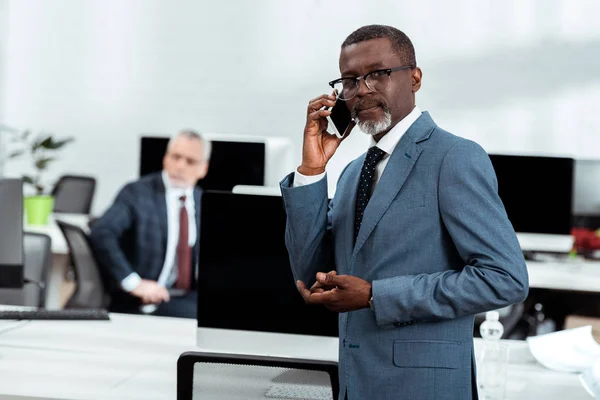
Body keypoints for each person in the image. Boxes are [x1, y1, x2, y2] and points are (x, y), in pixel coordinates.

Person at [279, 25, 528, 400]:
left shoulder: (454, 158)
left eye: (377, 73)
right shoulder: (350, 174)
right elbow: (309, 270)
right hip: (355, 384)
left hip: (423, 388)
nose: (361, 89)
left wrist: (376, 296)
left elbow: (504, 278)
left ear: (414, 78)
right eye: (349, 80)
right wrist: (311, 171)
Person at [89, 130, 210, 318]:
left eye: (190, 161)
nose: (180, 166)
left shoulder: (202, 200)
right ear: (165, 157)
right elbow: (102, 233)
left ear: (203, 169)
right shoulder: (137, 193)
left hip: (186, 295)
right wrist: (133, 283)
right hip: (143, 300)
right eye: (175, 157)